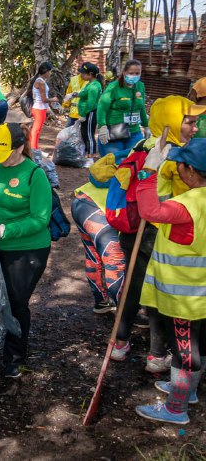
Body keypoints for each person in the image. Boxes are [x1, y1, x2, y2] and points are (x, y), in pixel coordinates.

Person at [109, 96, 205, 368]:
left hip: (136, 229)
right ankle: (157, 355)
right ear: (171, 123)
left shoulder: (144, 144)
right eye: (189, 122)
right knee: (159, 295)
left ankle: (121, 340)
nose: (195, 128)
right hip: (158, 232)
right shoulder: (174, 156)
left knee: (134, 286)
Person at [0, 123, 52, 377]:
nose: (0, 161)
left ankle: (15, 356)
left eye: (6, 155)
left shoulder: (34, 175)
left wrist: (4, 230)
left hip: (27, 250)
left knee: (16, 302)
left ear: (20, 147)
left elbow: (40, 219)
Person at [134, 138, 206, 425]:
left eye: (180, 165)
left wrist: (147, 174)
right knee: (199, 345)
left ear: (190, 169)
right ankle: (187, 392)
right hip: (200, 292)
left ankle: (176, 408)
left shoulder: (188, 204)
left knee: (184, 352)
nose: (177, 168)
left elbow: (150, 212)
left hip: (184, 297)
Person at [71, 161, 126, 314]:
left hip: (83, 199)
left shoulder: (136, 148)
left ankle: (101, 302)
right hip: (101, 210)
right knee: (115, 261)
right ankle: (125, 313)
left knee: (93, 255)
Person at [97, 58, 148, 156]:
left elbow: (141, 107)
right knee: (114, 164)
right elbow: (102, 107)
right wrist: (102, 126)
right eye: (131, 73)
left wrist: (146, 126)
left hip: (134, 132)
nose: (134, 76)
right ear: (124, 72)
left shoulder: (140, 86)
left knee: (134, 161)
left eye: (137, 73)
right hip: (115, 131)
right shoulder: (114, 87)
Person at [74, 62, 104, 159]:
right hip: (85, 113)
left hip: (90, 113)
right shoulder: (90, 84)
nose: (81, 75)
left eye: (83, 73)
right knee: (84, 133)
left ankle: (91, 154)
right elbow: (83, 94)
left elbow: (90, 104)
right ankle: (87, 152)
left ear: (90, 74)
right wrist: (75, 94)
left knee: (89, 133)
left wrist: (83, 114)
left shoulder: (94, 86)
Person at [28, 62, 59, 151]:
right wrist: (54, 99)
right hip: (39, 109)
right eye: (50, 72)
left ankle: (34, 148)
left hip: (40, 108)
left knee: (36, 130)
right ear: (46, 72)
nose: (50, 74)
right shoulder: (40, 82)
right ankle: (33, 149)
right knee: (36, 130)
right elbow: (44, 99)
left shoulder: (40, 81)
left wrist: (48, 107)